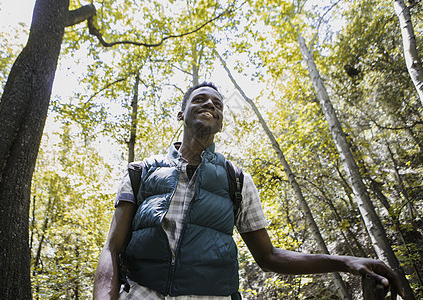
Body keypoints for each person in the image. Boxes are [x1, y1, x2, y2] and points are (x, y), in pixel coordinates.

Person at [93, 82, 404, 300]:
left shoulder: (237, 179)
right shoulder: (140, 171)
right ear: (181, 113)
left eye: (217, 103)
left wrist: (344, 262)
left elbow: (269, 257)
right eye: (200, 99)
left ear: (221, 122)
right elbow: (112, 248)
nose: (209, 104)